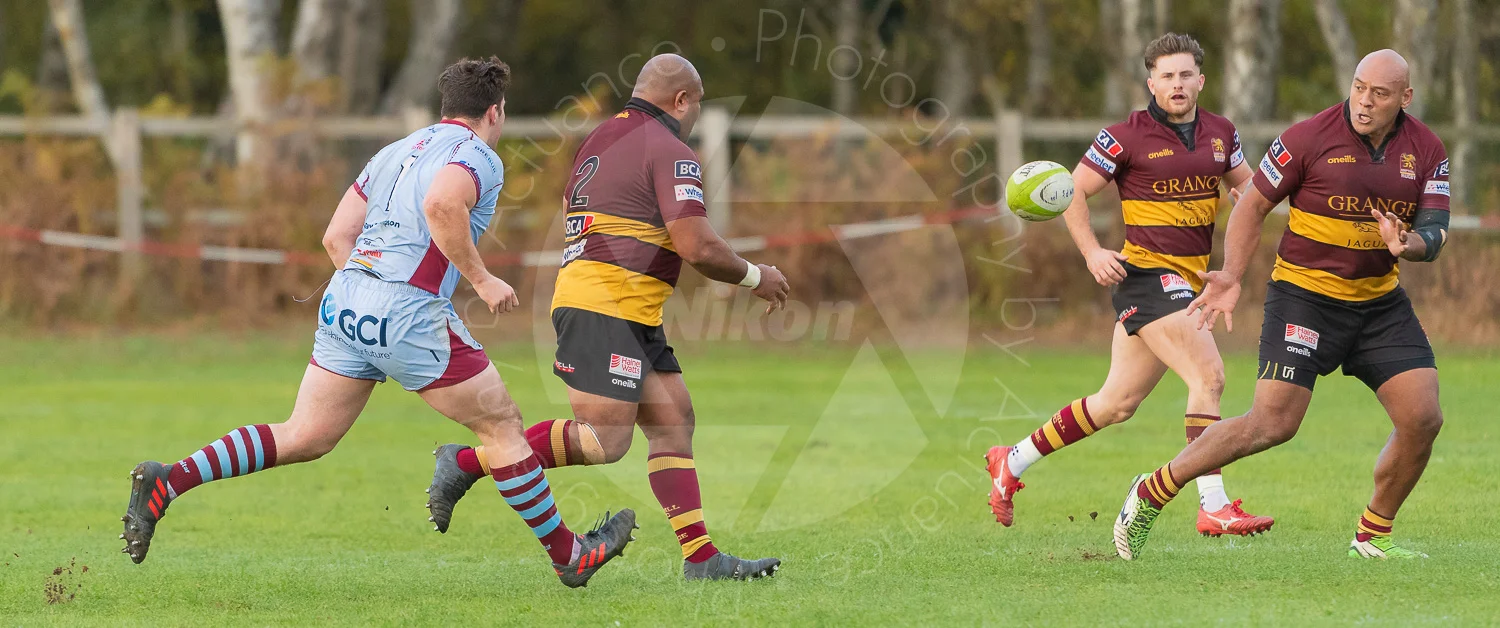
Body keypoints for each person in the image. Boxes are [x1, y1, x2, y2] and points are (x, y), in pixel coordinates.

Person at [120, 57, 637, 588]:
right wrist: (480, 280)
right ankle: (568, 555)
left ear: (444, 108)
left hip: (346, 301)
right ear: (495, 112)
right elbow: (442, 203)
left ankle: (170, 481)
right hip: (407, 311)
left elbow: (334, 237)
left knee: (304, 435)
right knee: (502, 426)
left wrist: (370, 297)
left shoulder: (393, 152)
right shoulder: (478, 154)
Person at [423, 54, 789, 581]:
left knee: (673, 421)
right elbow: (697, 245)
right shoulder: (670, 149)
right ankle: (466, 463)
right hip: (605, 306)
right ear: (681, 100)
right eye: (696, 104)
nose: (694, 114)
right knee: (604, 441)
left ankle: (702, 559)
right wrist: (757, 277)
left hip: (627, 307)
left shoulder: (601, 139)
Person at [1114, 49, 1450, 561]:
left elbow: (1436, 229)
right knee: (1272, 425)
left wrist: (1409, 245)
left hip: (1379, 305)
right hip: (1304, 301)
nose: (1364, 100)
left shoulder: (1427, 149)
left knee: (1423, 417)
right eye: (1359, 87)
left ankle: (1373, 536)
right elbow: (1252, 205)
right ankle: (1154, 489)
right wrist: (1229, 275)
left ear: (1405, 98)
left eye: (1379, 94)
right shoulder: (1307, 138)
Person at [985, 33, 1273, 536]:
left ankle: (1011, 461)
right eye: (1167, 76)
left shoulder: (1222, 134)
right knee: (1209, 377)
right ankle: (1213, 505)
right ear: (1151, 82)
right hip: (1144, 278)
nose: (1177, 84)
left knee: (1115, 404)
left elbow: (1247, 190)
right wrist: (1093, 252)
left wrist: (1269, 199)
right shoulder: (1123, 136)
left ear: (1201, 80)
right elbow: (1073, 192)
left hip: (1189, 279)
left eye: (1186, 75)